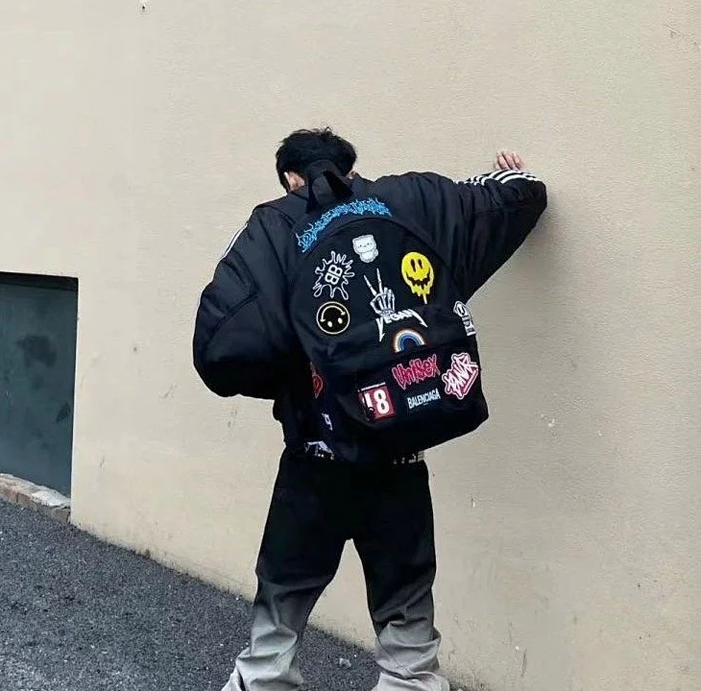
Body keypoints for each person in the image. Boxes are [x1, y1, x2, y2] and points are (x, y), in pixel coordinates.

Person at [193, 128, 547, 691]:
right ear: (352, 167)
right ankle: (410, 681)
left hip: (317, 452)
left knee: (284, 593)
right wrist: (513, 177)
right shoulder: (412, 202)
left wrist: (298, 372)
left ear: (290, 177)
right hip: (400, 449)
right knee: (405, 599)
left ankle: (265, 679)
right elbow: (514, 199)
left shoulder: (275, 225)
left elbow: (222, 349)